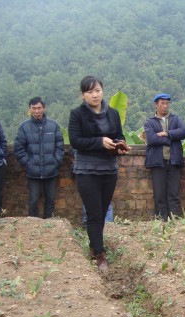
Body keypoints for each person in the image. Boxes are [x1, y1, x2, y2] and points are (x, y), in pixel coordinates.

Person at [68, 76, 129, 271]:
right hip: (87, 169)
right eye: (90, 92)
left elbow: (120, 134)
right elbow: (75, 141)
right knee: (93, 212)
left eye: (98, 90)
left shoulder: (112, 113)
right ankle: (100, 253)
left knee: (102, 211)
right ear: (83, 95)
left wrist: (119, 144)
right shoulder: (77, 114)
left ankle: (95, 246)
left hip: (109, 169)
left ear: (103, 91)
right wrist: (99, 142)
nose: (95, 95)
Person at [14, 97, 64, 219]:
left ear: (44, 108)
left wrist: (56, 161)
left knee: (51, 200)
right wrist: (28, 163)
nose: (37, 111)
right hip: (33, 172)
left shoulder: (53, 126)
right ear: (30, 109)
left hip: (51, 171)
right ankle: (33, 227)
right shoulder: (24, 127)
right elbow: (19, 149)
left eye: (39, 108)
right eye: (34, 108)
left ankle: (49, 225)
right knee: (33, 200)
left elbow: (60, 146)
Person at [144, 93, 185, 221]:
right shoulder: (150, 122)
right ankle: (161, 219)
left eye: (167, 103)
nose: (165, 106)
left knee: (174, 193)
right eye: (162, 103)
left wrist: (166, 133)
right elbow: (151, 139)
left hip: (174, 161)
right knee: (159, 194)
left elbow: (183, 132)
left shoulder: (175, 119)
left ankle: (174, 219)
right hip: (158, 162)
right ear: (156, 104)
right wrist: (170, 139)